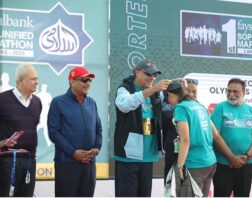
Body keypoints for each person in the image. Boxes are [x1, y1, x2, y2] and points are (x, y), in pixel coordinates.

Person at [166, 79, 241, 197]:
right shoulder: (199, 105)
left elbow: (185, 140)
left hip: (194, 164)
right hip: (210, 163)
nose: (168, 100)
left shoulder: (180, 108)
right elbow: (215, 135)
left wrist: (179, 167)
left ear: (176, 95)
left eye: (169, 96)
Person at [114, 59, 170, 197]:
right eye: (148, 74)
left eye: (155, 75)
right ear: (137, 72)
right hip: (129, 157)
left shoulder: (156, 92)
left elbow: (172, 97)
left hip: (148, 156)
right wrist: (152, 89)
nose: (152, 78)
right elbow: (124, 105)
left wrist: (180, 85)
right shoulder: (124, 88)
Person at [47, 66, 102, 197]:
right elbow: (53, 133)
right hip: (67, 164)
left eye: (90, 80)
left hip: (89, 164)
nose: (88, 83)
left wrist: (96, 148)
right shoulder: (58, 102)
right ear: (72, 81)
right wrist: (73, 153)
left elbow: (98, 129)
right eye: (84, 80)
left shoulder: (92, 103)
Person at [211, 78, 252, 197]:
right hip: (224, 165)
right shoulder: (220, 108)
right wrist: (231, 158)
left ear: (244, 92)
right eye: (229, 91)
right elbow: (215, 136)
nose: (231, 94)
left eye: (235, 91)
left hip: (245, 164)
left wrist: (247, 156)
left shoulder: (250, 110)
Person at [0, 64, 42, 197]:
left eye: (37, 79)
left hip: (29, 161)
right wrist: (1, 143)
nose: (37, 82)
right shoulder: (2, 99)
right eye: (33, 79)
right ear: (20, 80)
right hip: (6, 162)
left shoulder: (37, 102)